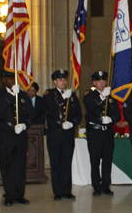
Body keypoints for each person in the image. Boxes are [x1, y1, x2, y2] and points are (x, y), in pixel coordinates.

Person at [0, 70, 34, 207]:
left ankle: (19, 194)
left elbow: (31, 114)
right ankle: (9, 194)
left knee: (20, 165)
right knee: (7, 165)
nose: (11, 81)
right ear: (4, 79)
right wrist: (11, 95)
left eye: (13, 78)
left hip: (20, 133)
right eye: (9, 78)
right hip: (6, 133)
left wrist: (24, 125)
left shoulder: (23, 95)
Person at [43, 69, 82, 201]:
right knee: (56, 163)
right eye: (60, 79)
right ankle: (57, 192)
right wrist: (62, 99)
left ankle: (67, 191)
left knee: (66, 162)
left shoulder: (72, 95)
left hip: (68, 133)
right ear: (54, 81)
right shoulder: (49, 94)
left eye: (64, 79)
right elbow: (50, 108)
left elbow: (78, 114)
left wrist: (72, 123)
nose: (63, 81)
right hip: (54, 132)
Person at [83, 71, 121, 197]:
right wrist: (101, 97)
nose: (102, 83)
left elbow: (117, 115)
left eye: (104, 81)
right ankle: (96, 186)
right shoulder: (89, 95)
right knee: (95, 161)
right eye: (99, 81)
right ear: (94, 82)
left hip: (107, 132)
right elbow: (90, 106)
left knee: (107, 160)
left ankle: (106, 186)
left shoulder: (111, 97)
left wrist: (111, 120)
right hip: (95, 132)